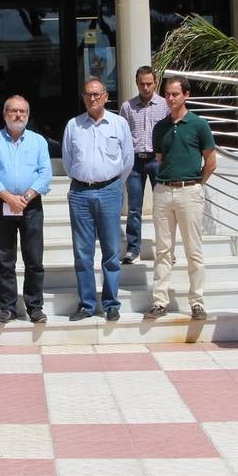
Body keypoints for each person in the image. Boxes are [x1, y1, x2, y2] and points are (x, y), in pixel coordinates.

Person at [146, 76, 217, 320]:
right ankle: (160, 301)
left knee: (193, 250)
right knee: (163, 250)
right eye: (167, 94)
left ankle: (197, 301)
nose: (170, 98)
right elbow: (160, 159)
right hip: (164, 190)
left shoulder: (199, 124)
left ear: (186, 95)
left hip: (190, 190)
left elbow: (211, 161)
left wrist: (197, 183)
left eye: (175, 94)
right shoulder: (160, 127)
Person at [62, 77, 133, 321]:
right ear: (83, 97)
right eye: (88, 94)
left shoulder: (119, 123)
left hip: (109, 191)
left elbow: (127, 160)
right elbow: (68, 161)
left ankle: (111, 303)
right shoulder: (73, 125)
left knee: (111, 251)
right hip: (80, 193)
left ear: (105, 96)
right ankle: (87, 304)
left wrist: (111, 185)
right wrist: (86, 180)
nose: (92, 98)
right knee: (82, 253)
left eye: (97, 94)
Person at [0, 96, 52, 324]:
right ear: (5, 114)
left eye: (22, 111)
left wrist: (26, 196)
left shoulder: (38, 141)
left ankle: (34, 307)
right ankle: (8, 308)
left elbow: (45, 174)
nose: (18, 115)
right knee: (5, 259)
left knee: (34, 259)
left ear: (28, 115)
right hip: (2, 204)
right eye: (13, 111)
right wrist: (9, 198)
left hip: (31, 205)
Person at [120, 65, 167, 264]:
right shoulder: (127, 107)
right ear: (136, 83)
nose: (146, 87)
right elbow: (122, 136)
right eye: (142, 84)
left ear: (155, 82)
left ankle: (165, 250)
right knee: (134, 208)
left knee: (163, 207)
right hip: (135, 163)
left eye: (149, 83)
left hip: (157, 161)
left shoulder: (164, 105)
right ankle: (133, 249)